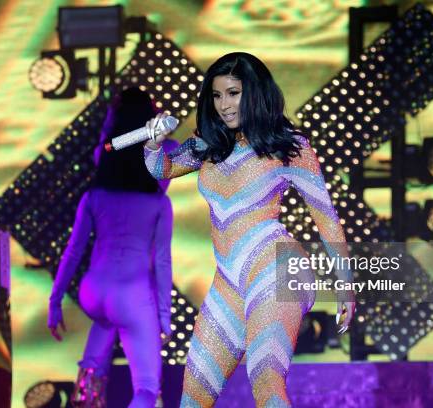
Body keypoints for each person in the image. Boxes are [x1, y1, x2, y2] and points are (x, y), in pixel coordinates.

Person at [143, 52, 356, 407]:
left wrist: (346, 285)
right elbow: (161, 169)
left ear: (254, 92)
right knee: (192, 398)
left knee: (266, 381)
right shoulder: (209, 145)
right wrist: (152, 142)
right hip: (229, 280)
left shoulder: (290, 145)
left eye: (233, 93)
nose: (224, 105)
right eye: (217, 95)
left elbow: (327, 219)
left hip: (277, 267)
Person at [48, 88, 176, 408]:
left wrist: (54, 301)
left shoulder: (95, 189)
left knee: (95, 359)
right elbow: (162, 262)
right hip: (131, 293)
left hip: (95, 292)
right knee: (146, 387)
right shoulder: (160, 196)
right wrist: (164, 317)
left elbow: (73, 251)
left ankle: (87, 380)